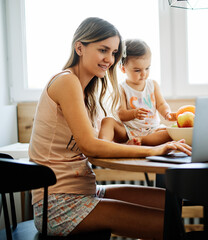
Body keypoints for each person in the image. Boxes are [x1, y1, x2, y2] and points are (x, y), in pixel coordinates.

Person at [28, 17, 191, 239]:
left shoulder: (84, 91)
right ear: (79, 47)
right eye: (103, 50)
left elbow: (99, 143)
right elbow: (91, 147)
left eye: (114, 53)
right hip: (60, 204)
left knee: (169, 201)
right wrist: (151, 150)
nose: (110, 59)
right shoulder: (67, 82)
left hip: (84, 191)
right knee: (168, 223)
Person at [98, 39, 177, 146]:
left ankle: (141, 140)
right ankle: (103, 146)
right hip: (128, 130)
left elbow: (161, 104)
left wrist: (167, 113)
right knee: (108, 121)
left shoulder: (152, 85)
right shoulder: (122, 88)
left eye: (147, 68)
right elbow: (121, 114)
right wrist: (134, 113)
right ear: (123, 69)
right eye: (137, 70)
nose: (143, 74)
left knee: (169, 133)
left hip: (152, 130)